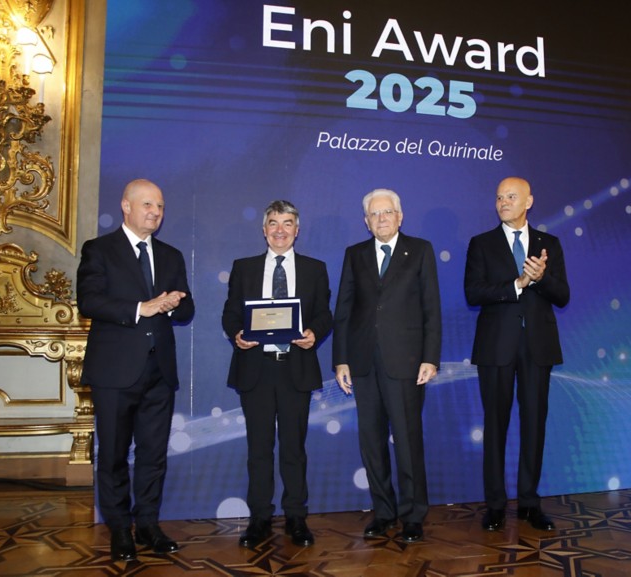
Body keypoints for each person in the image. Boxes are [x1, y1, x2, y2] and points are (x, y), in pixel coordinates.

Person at [77, 178, 195, 561]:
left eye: (160, 206)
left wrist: (173, 305)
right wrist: (141, 308)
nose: (155, 212)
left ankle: (147, 525)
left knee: (152, 455)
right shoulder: (99, 250)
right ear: (126, 206)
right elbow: (88, 301)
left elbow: (187, 308)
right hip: (114, 371)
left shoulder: (171, 255)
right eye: (148, 204)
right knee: (112, 454)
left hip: (159, 372)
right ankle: (119, 529)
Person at [221, 200, 332, 548]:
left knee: (294, 449)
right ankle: (260, 518)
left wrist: (314, 332)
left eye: (287, 224)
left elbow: (324, 314)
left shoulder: (315, 269)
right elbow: (230, 313)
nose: (280, 230)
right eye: (273, 223)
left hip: (295, 369)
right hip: (256, 369)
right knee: (258, 449)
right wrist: (237, 334)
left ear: (297, 230)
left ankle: (296, 517)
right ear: (264, 229)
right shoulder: (244, 268)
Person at [333, 188, 441, 544]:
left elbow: (431, 307)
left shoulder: (420, 250)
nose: (381, 218)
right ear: (366, 222)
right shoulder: (354, 254)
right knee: (372, 441)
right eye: (374, 214)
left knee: (408, 441)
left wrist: (430, 357)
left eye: (387, 212)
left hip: (406, 362)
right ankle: (383, 512)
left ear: (400, 216)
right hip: (363, 364)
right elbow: (344, 309)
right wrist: (341, 359)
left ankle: (413, 514)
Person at [464, 176, 569, 533]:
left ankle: (529, 502)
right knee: (495, 425)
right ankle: (495, 504)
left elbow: (563, 295)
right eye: (499, 197)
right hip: (496, 346)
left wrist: (541, 278)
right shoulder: (481, 243)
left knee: (534, 424)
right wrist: (517, 284)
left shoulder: (549, 244)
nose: (503, 202)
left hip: (538, 346)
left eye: (511, 196)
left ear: (529, 201)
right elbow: (473, 292)